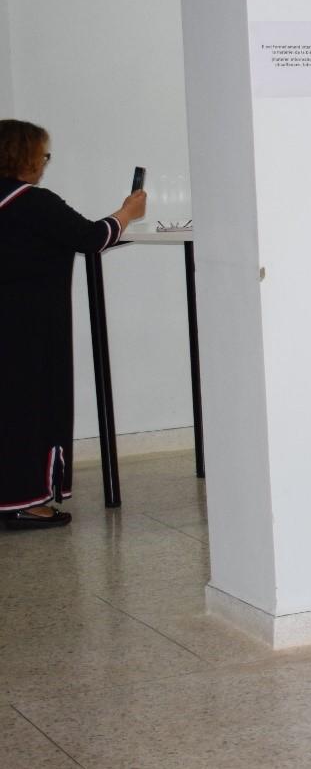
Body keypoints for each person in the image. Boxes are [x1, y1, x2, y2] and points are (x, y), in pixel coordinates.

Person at [0, 119, 146, 529]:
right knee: (32, 409)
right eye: (42, 155)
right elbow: (91, 237)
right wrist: (128, 212)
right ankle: (25, 502)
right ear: (25, 157)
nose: (43, 163)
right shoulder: (33, 202)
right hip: (31, 328)